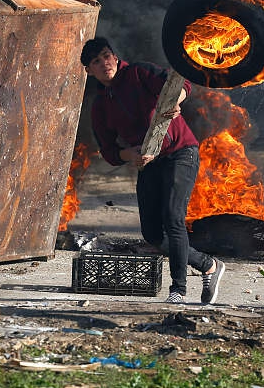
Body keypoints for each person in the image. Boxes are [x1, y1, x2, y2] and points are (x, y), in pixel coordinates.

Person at [80, 37, 225, 305]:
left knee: (173, 218)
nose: (104, 64)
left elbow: (181, 85)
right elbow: (109, 151)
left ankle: (178, 290)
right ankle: (208, 265)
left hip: (180, 152)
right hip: (148, 162)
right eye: (96, 62)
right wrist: (129, 154)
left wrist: (175, 101)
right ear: (89, 71)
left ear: (114, 56)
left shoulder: (138, 72)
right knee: (152, 234)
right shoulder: (100, 105)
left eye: (106, 56)